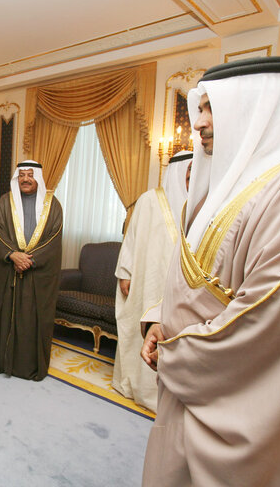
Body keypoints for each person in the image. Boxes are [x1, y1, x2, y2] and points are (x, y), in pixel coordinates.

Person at [139, 56, 280, 486]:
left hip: (228, 390)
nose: (198, 123)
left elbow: (266, 317)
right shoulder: (223, 189)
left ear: (256, 108)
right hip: (188, 379)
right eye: (198, 109)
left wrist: (175, 350)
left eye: (210, 110)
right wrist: (158, 321)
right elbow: (188, 275)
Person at [112, 151, 191, 412]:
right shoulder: (149, 200)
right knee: (145, 331)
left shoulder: (203, 203)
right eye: (187, 174)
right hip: (149, 280)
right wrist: (126, 271)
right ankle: (142, 389)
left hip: (184, 287)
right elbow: (131, 239)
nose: (191, 180)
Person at [0, 160, 63, 381]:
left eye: (30, 175)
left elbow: (53, 239)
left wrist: (29, 260)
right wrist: (12, 255)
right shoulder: (4, 202)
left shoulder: (53, 205)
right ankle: (2, 358)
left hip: (38, 275)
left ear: (38, 177)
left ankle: (28, 364)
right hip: (9, 270)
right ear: (16, 178)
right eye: (22, 175)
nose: (26, 179)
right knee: (5, 313)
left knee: (32, 318)